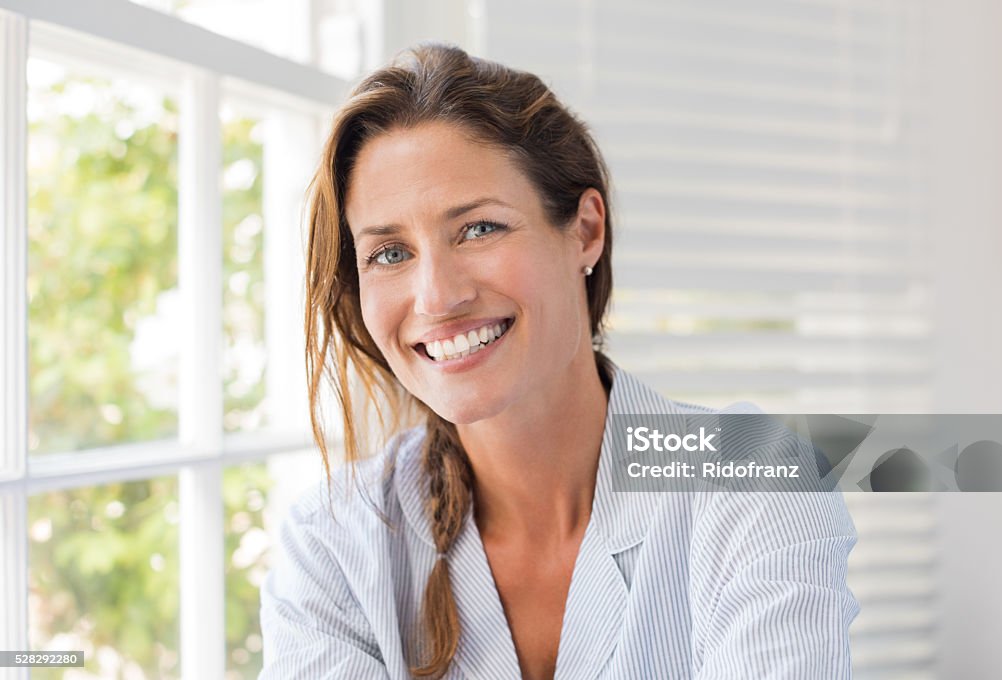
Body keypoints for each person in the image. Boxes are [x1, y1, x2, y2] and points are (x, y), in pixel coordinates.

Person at [259, 43, 859, 680]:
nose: (437, 297)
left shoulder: (750, 478)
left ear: (585, 231)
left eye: (480, 229)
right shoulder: (335, 544)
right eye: (389, 253)